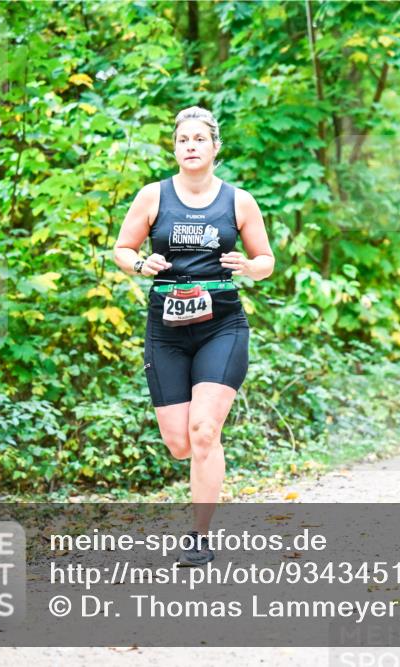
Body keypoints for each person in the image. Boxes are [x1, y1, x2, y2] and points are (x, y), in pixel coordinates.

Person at [113, 106, 275, 565]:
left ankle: (200, 536)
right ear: (175, 147)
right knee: (180, 442)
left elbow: (266, 260)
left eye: (199, 139)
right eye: (183, 139)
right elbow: (122, 249)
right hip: (165, 327)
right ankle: (207, 461)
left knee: (204, 431)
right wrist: (142, 264)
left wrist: (250, 266)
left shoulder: (238, 201)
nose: (190, 146)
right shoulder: (153, 196)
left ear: (214, 147)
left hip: (221, 323)